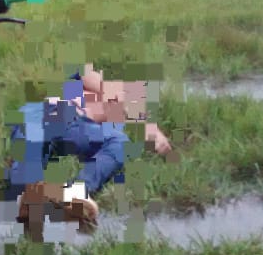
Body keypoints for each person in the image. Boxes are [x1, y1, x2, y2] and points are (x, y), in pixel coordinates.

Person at [9, 64, 172, 238]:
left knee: (120, 143)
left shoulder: (114, 120)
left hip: (78, 127)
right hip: (50, 113)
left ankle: (75, 191)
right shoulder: (91, 82)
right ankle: (26, 192)